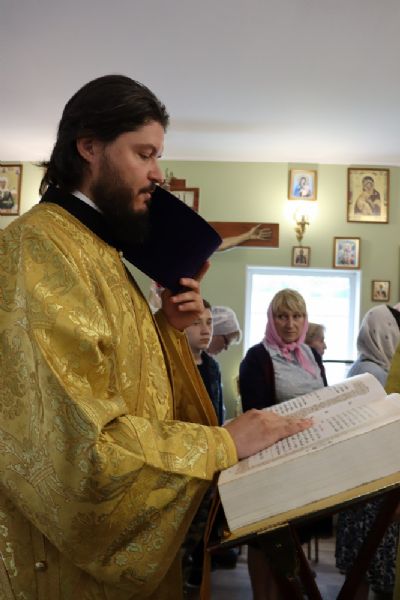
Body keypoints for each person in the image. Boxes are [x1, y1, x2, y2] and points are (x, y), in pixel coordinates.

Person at [0, 75, 312, 600]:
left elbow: (126, 385)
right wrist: (222, 443)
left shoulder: (98, 250)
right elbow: (76, 452)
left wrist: (167, 328)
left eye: (157, 156)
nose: (157, 174)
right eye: (144, 154)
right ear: (89, 147)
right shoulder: (38, 252)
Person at [239, 289, 326, 600]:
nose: (290, 324)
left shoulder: (312, 355)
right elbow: (255, 415)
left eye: (297, 316)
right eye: (282, 316)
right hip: (270, 462)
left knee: (295, 536)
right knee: (264, 538)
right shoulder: (257, 357)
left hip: (305, 460)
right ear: (271, 319)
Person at [335, 304, 400, 600]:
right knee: (370, 566)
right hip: (373, 488)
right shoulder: (375, 373)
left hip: (360, 482)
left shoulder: (365, 365)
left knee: (361, 567)